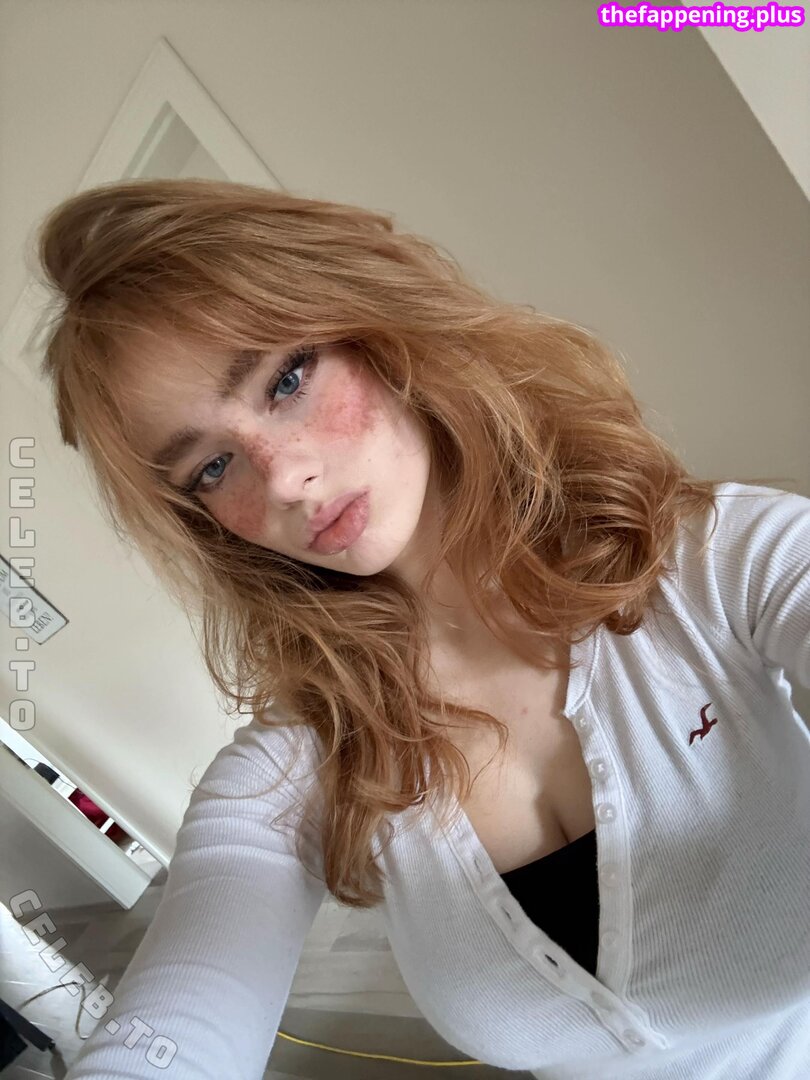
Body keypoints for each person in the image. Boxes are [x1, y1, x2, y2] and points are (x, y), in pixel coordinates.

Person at [30, 178, 808, 1078]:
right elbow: (177, 1028)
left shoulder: (722, 562)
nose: (282, 479)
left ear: (384, 332)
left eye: (287, 380)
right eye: (211, 467)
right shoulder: (306, 763)